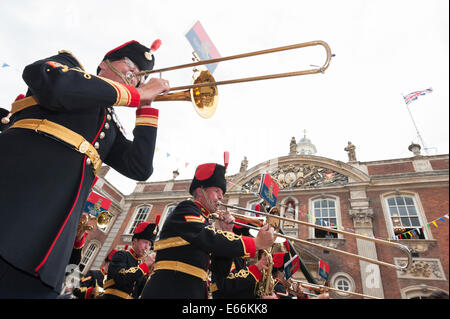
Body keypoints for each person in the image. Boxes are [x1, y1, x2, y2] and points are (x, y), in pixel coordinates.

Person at [0, 39, 169, 298]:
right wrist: (135, 94)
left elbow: (140, 167)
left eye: (141, 77)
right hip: (16, 206)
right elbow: (51, 82)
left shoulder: (109, 123)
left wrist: (146, 106)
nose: (134, 78)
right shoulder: (67, 67)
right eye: (132, 67)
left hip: (49, 247)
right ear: (104, 63)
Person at [140, 162, 275, 299]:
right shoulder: (186, 208)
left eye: (222, 193)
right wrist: (255, 243)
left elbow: (219, 274)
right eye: (217, 191)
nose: (221, 197)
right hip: (169, 290)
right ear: (200, 191)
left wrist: (227, 231)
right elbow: (208, 237)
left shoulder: (204, 220)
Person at [100, 222, 157, 299]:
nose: (147, 247)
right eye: (145, 242)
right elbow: (120, 278)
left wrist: (151, 273)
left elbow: (142, 292)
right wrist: (145, 265)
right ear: (134, 242)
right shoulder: (121, 255)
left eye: (150, 245)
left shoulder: (142, 266)